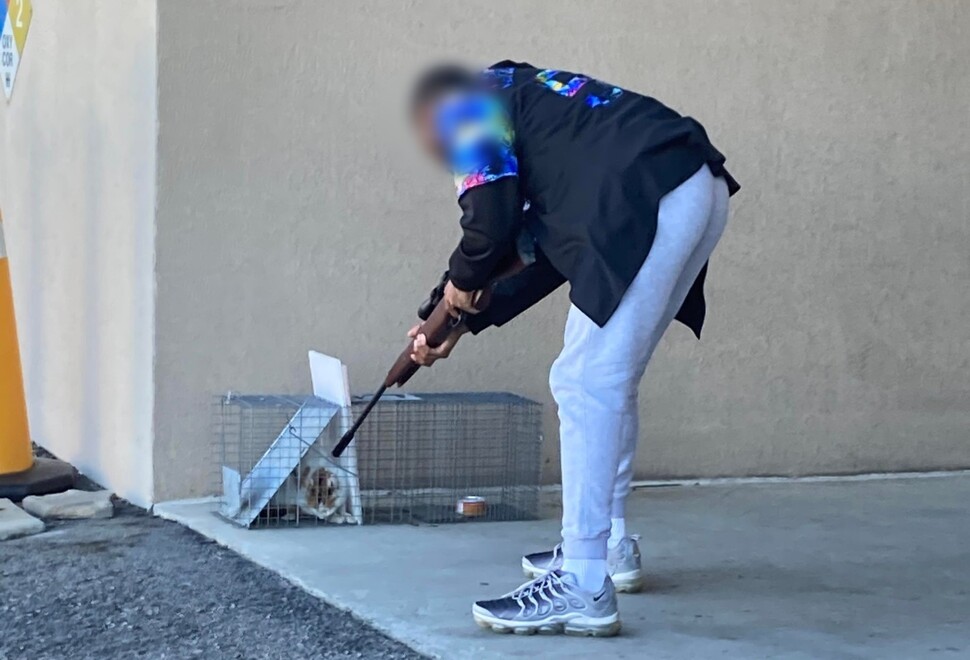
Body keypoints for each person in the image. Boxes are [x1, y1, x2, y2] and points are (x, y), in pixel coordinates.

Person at [407, 61, 739, 637]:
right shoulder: (529, 100)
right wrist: (455, 317)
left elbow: (488, 225)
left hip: (645, 197)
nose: (440, 153)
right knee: (608, 377)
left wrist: (461, 284)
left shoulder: (465, 105)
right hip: (692, 184)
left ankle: (583, 581)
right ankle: (608, 545)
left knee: (585, 380)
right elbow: (534, 249)